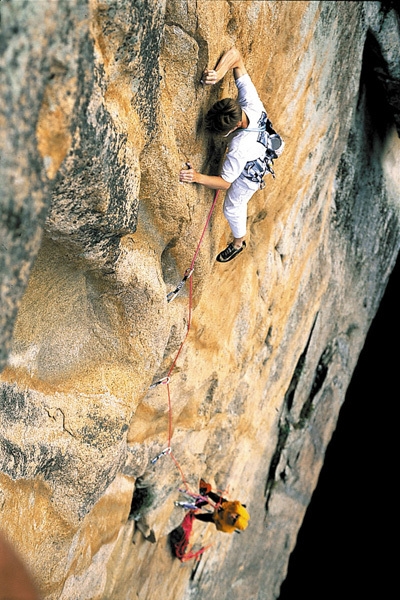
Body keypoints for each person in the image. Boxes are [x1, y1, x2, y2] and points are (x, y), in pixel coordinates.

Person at [179, 47, 282, 263]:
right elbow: (236, 56)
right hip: (266, 141)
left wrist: (196, 177)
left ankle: (238, 244)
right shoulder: (250, 104)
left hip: (249, 176)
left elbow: (225, 183)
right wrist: (217, 73)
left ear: (235, 126)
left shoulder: (238, 147)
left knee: (232, 207)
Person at [175, 480, 250, 534]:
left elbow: (215, 517)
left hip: (219, 519)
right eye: (236, 516)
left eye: (234, 521)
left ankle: (194, 516)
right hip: (227, 507)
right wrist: (218, 504)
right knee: (217, 499)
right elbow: (221, 501)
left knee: (208, 517)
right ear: (237, 513)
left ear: (232, 524)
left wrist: (216, 510)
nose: (233, 517)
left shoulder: (225, 527)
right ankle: (207, 491)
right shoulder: (235, 508)